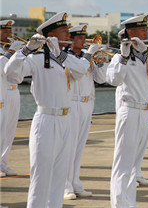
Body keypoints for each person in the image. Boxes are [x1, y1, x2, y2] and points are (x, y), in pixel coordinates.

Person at [5, 12, 90, 207]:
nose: (69, 34)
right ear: (51, 35)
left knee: (59, 176)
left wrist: (60, 54)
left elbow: (82, 70)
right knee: (41, 176)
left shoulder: (65, 58)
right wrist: (25, 50)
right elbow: (11, 74)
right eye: (64, 30)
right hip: (46, 120)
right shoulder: (36, 59)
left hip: (66, 120)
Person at [107, 14, 148, 207]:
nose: (146, 32)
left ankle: (129, 203)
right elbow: (113, 79)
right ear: (131, 32)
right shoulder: (120, 56)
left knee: (134, 165)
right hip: (130, 111)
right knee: (123, 163)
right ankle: (119, 204)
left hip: (145, 112)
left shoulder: (146, 57)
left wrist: (147, 50)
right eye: (142, 29)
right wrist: (124, 57)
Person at [64, 25, 107, 200]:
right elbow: (78, 74)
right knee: (69, 147)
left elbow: (101, 79)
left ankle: (75, 183)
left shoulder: (86, 58)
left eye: (85, 37)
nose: (84, 40)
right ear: (71, 39)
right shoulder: (66, 56)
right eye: (80, 38)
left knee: (79, 147)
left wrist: (101, 61)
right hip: (72, 103)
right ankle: (66, 186)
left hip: (87, 104)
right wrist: (89, 55)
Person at [0, 19, 23, 177]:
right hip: (2, 91)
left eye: (10, 31)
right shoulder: (5, 51)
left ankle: (3, 163)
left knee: (9, 131)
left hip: (14, 90)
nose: (10, 35)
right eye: (5, 31)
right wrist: (11, 53)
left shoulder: (7, 48)